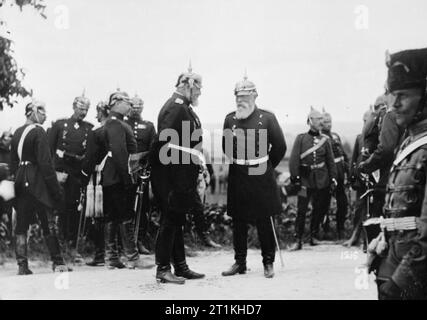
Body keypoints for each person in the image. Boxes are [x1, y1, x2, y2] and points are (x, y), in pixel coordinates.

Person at [372, 48, 427, 300]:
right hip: (393, 261)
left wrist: (400, 280)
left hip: (414, 276)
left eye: (403, 95)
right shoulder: (409, 142)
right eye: (392, 95)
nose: (394, 105)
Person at [221, 75, 286, 278]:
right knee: (238, 220)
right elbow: (226, 147)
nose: (241, 100)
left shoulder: (267, 118)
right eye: (238, 96)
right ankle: (239, 262)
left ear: (255, 96)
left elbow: (280, 147)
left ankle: (268, 262)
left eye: (246, 96)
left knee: (264, 219)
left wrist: (266, 166)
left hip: (260, 174)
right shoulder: (230, 119)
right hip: (239, 174)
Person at [150, 64, 205, 284]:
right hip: (173, 175)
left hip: (180, 172)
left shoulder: (184, 107)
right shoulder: (176, 106)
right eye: (199, 88)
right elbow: (162, 141)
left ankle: (180, 267)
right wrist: (162, 177)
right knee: (170, 220)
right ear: (188, 86)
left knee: (176, 219)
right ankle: (163, 269)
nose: (201, 92)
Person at [10, 100, 71, 274]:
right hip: (37, 182)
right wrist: (56, 190)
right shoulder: (39, 131)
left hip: (20, 181)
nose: (45, 115)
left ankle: (22, 265)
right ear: (32, 112)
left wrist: (17, 182)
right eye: (42, 110)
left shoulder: (17, 133)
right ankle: (58, 262)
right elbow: (45, 163)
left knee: (21, 224)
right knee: (48, 222)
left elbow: (13, 164)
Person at [48, 91, 94, 264]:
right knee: (60, 210)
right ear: (74, 107)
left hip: (76, 176)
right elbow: (50, 149)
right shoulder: (60, 125)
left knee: (75, 211)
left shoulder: (89, 128)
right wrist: (54, 172)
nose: (83, 113)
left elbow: (89, 153)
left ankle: (72, 247)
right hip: (61, 174)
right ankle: (57, 248)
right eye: (81, 108)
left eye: (86, 110)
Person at [288, 107, 337, 250]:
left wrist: (333, 178)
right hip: (304, 182)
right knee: (301, 210)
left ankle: (313, 236)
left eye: (322, 119)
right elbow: (293, 159)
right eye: (318, 119)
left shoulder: (325, 140)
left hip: (321, 181)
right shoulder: (301, 138)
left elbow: (330, 161)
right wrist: (295, 177)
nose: (321, 122)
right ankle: (298, 239)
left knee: (318, 209)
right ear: (310, 121)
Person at [357, 95, 404, 219]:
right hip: (405, 170)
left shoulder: (390, 115)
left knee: (381, 213)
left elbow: (386, 149)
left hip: (390, 173)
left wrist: (367, 165)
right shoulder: (406, 115)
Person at [125, 94, 156, 255]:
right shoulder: (123, 124)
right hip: (126, 172)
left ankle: (140, 239)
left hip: (142, 172)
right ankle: (126, 242)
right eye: (134, 107)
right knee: (126, 207)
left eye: (139, 107)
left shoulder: (148, 126)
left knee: (143, 208)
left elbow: (153, 148)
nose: (136, 110)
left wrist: (146, 166)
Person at [83, 101, 110, 267]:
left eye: (98, 111)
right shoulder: (118, 130)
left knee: (99, 216)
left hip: (99, 178)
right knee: (113, 216)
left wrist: (83, 175)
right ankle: (114, 253)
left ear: (101, 112)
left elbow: (90, 157)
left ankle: (101, 254)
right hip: (115, 177)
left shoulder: (97, 132)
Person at [343, 110, 371, 248]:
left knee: (371, 210)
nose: (365, 124)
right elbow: (354, 159)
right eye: (364, 121)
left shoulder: (377, 137)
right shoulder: (360, 138)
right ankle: (355, 236)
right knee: (359, 209)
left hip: (373, 181)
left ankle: (367, 239)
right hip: (360, 181)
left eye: (368, 121)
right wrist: (352, 177)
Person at [321, 110, 349, 240]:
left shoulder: (335, 136)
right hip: (327, 176)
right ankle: (325, 230)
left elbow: (343, 155)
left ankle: (340, 228)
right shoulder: (320, 139)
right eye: (326, 122)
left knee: (343, 203)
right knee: (324, 203)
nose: (329, 124)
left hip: (340, 174)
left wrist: (349, 171)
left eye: (330, 121)